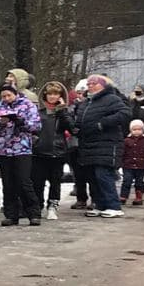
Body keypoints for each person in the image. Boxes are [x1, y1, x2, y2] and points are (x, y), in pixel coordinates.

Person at [75, 74, 130, 218]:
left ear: (103, 85)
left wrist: (103, 123)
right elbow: (80, 120)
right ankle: (100, 205)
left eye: (94, 83)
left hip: (107, 144)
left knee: (103, 175)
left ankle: (113, 205)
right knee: (93, 176)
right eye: (89, 84)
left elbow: (125, 113)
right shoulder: (85, 103)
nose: (90, 86)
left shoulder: (112, 99)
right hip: (88, 145)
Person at [0, 83, 42, 226]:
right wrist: (1, 123)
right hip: (3, 149)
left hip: (22, 149)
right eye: (3, 96)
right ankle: (11, 215)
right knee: (8, 183)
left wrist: (21, 122)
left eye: (9, 95)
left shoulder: (27, 105)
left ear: (15, 94)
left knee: (24, 181)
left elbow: (36, 125)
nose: (6, 98)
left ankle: (33, 213)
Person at [32, 81, 74, 220]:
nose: (52, 97)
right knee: (38, 182)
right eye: (49, 94)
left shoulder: (64, 113)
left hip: (57, 152)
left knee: (55, 183)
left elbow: (71, 128)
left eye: (56, 94)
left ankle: (53, 206)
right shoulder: (38, 112)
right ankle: (37, 206)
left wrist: (62, 110)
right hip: (39, 152)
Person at [68, 79, 92, 210]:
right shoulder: (71, 108)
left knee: (92, 174)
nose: (80, 95)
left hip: (88, 144)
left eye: (83, 93)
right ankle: (81, 198)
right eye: (78, 92)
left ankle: (95, 199)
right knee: (78, 174)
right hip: (74, 144)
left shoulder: (91, 106)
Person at [120, 119, 144, 207]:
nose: (137, 131)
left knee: (139, 182)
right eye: (134, 129)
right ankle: (123, 196)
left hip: (141, 165)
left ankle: (139, 197)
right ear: (131, 130)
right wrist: (121, 161)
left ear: (143, 130)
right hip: (128, 164)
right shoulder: (126, 140)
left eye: (139, 129)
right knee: (126, 181)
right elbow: (123, 152)